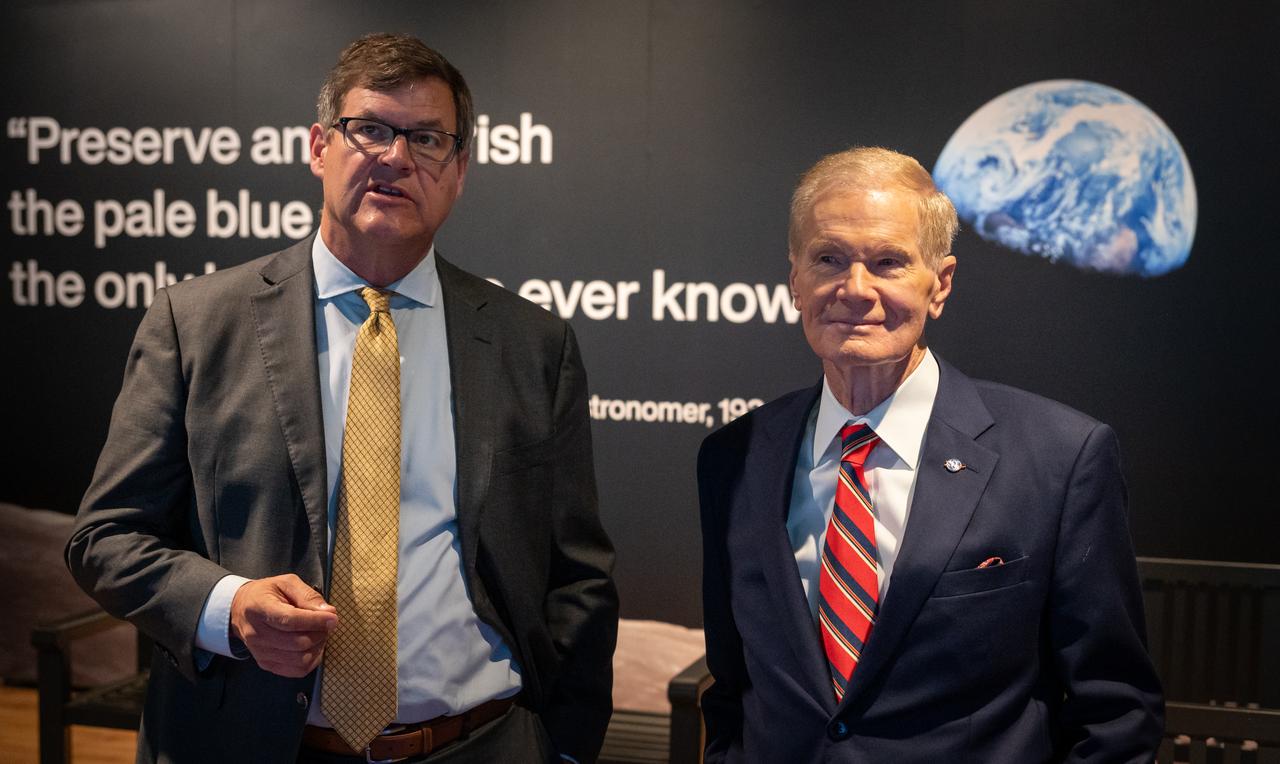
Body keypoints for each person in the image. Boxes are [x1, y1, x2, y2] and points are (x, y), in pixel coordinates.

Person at [68, 33, 618, 764]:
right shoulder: (195, 323)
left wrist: (568, 748)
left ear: (459, 170)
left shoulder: (534, 344)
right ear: (319, 147)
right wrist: (230, 608)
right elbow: (106, 539)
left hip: (482, 742)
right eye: (370, 130)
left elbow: (578, 576)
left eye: (427, 138)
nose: (396, 157)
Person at [697, 146, 1163, 761]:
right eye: (829, 259)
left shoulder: (1060, 457)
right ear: (795, 280)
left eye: (888, 262)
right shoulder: (733, 457)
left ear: (939, 284)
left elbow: (1115, 711)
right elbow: (732, 689)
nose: (854, 289)